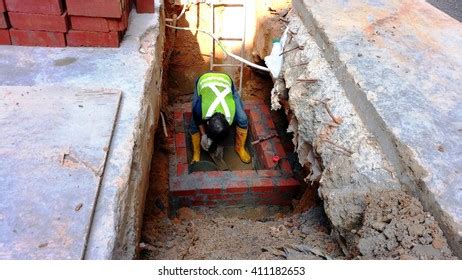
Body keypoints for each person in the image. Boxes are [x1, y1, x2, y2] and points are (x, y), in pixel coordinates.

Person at [190, 72, 251, 164]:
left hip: (225, 80)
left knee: (242, 119)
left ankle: (240, 148)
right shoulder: (200, 108)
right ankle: (196, 152)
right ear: (207, 122)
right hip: (204, 79)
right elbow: (197, 117)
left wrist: (221, 144)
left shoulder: (230, 115)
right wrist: (203, 135)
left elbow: (225, 130)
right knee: (193, 125)